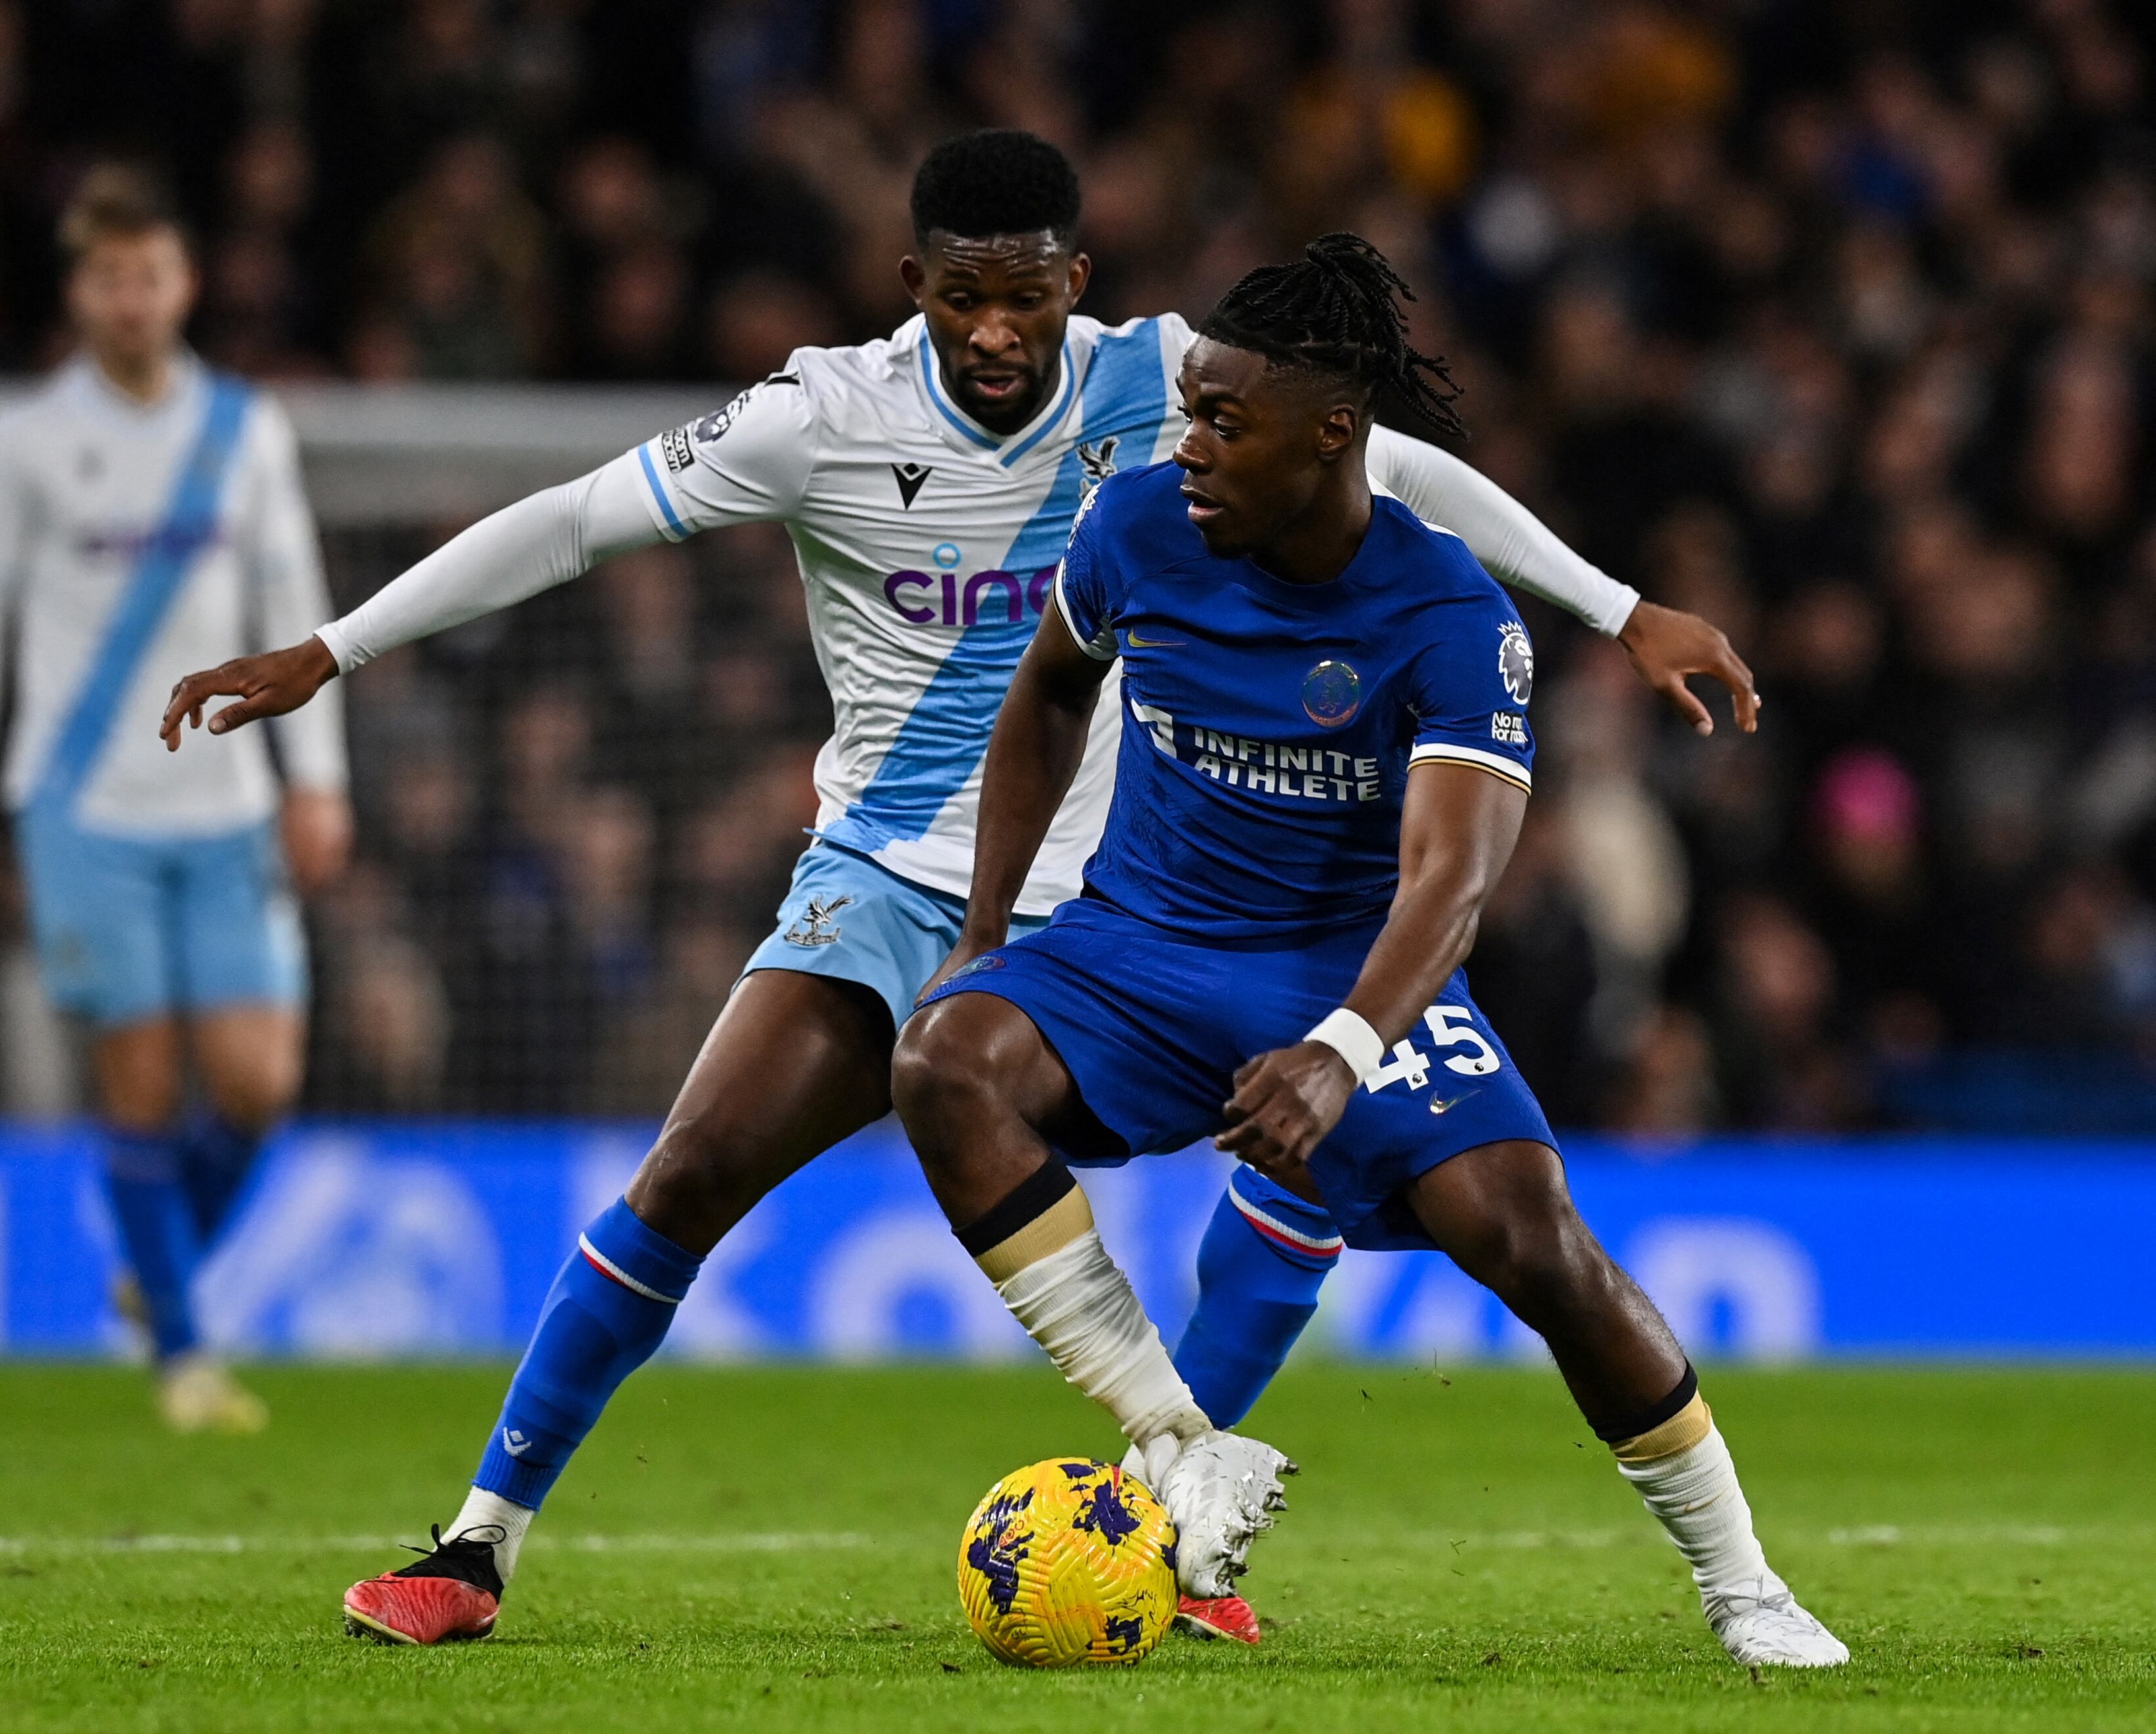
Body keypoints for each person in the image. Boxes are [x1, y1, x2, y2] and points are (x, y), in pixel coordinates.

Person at [158, 131, 1756, 1646]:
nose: (996, 329)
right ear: (912, 281)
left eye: (1028, 291)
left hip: (1148, 892)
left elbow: (1411, 476)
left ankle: (1179, 1534)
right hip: (889, 874)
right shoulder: (818, 418)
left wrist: (1622, 610)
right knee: (694, 1167)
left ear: (1079, 277)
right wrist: (335, 648)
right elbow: (574, 525)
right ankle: (479, 1543)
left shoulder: (1169, 386)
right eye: (960, 293)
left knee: (1298, 1182)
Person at [890, 238, 1846, 1667]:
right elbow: (1045, 699)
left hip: (1350, 966)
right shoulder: (1135, 529)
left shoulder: (1452, 618)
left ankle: (1745, 1583)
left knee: (1530, 1239)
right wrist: (982, 935)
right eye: (1188, 414)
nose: (1190, 447)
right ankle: (1177, 1440)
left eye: (1225, 420)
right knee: (942, 1061)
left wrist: (1342, 1055)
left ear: (1333, 433)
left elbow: (1451, 883)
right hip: (1139, 946)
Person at [0, 166, 352, 1433]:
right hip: (79, 807)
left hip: (224, 801)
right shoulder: (23, 442)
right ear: (76, 291)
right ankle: (180, 1355)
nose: (130, 299)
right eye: (107, 278)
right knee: (143, 1086)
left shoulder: (246, 431)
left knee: (261, 1083)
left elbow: (293, 606)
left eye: (150, 275)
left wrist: (315, 780)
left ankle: (151, 1275)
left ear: (186, 284)